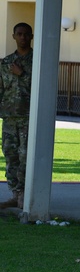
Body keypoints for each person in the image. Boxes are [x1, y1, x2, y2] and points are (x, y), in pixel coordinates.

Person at [0, 22, 33, 210]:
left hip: (28, 117)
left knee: (25, 157)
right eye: (19, 34)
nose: (22, 37)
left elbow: (41, 86)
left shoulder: (36, 60)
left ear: (31, 37)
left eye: (26, 34)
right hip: (10, 117)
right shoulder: (6, 62)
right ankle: (15, 194)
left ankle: (25, 195)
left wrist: (22, 75)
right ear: (13, 36)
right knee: (11, 155)